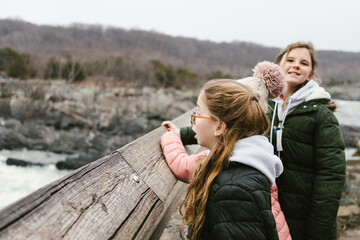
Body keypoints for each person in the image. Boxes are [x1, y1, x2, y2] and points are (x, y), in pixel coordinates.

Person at [162, 61, 291, 240]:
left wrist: (170, 136)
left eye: (198, 112)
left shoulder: (232, 191)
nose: (194, 119)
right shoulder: (251, 160)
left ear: (220, 127)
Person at [268, 42, 346, 240]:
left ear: (310, 74)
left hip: (303, 215)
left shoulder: (321, 115)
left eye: (303, 63)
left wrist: (320, 226)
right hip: (268, 209)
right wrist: (182, 134)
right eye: (290, 60)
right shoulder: (265, 106)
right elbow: (224, 124)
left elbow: (331, 174)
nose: (295, 65)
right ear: (279, 66)